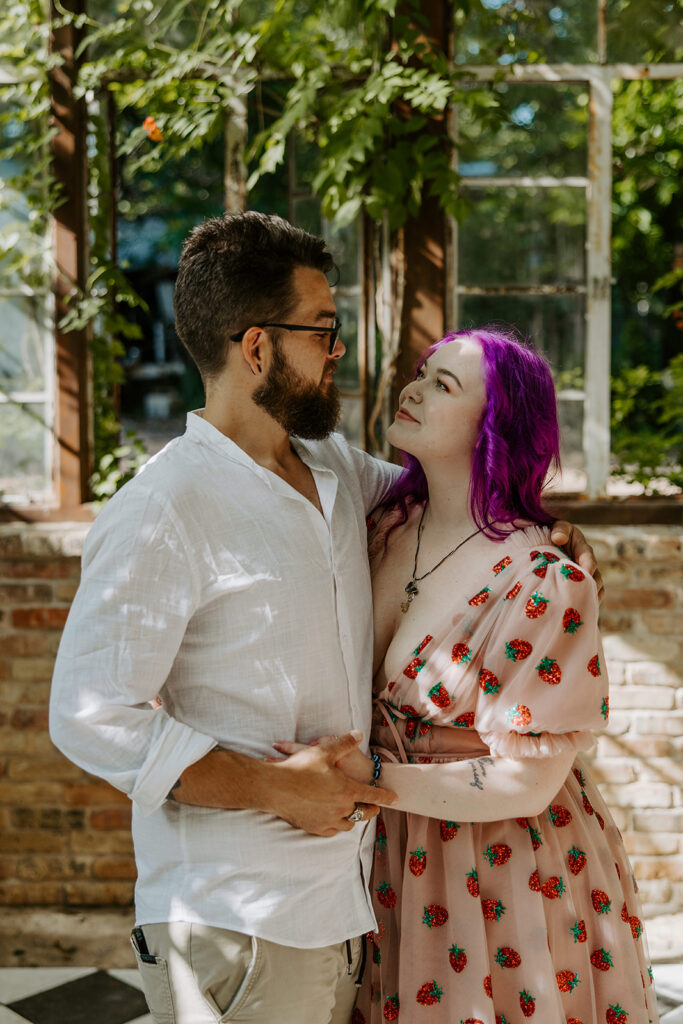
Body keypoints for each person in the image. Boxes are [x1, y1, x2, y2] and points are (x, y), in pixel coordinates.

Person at [49, 213, 598, 1024]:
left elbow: (454, 503)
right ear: (258, 348)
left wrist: (548, 531)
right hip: (237, 914)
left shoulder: (333, 469)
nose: (338, 351)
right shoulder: (164, 508)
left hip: (348, 902)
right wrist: (277, 788)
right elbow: (87, 716)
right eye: (323, 331)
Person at [277, 327, 657, 1024]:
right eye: (421, 372)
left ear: (496, 426)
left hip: (494, 863)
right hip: (372, 849)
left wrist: (359, 782)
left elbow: (526, 781)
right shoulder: (379, 523)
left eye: (442, 384)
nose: (411, 388)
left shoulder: (543, 580)